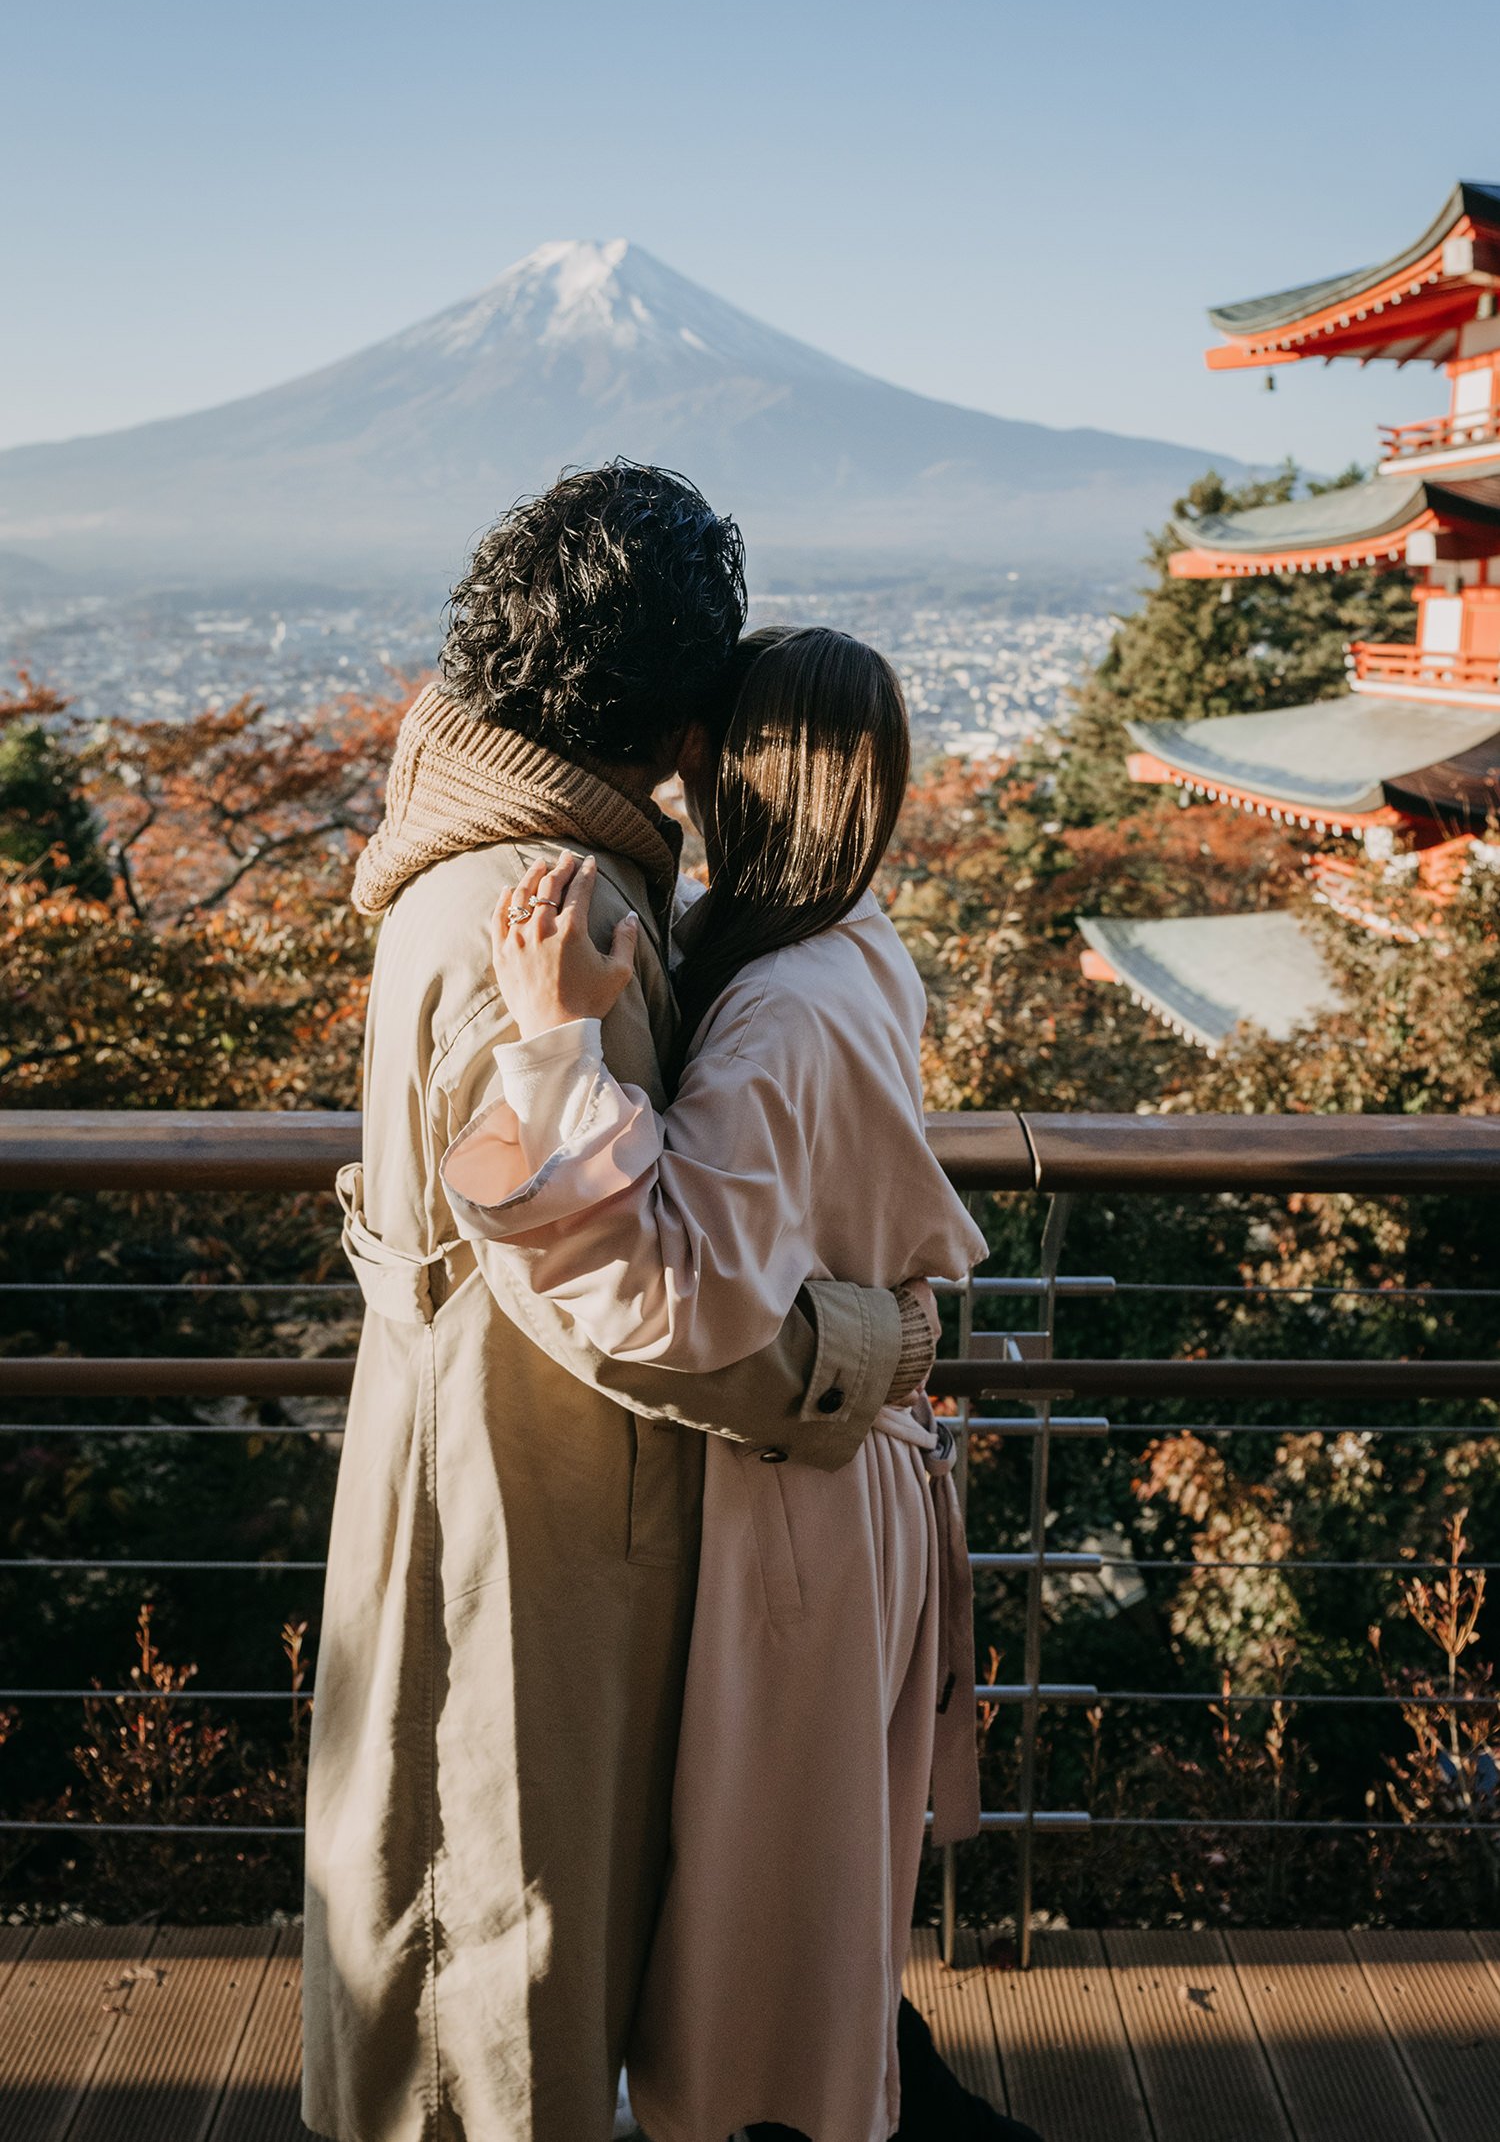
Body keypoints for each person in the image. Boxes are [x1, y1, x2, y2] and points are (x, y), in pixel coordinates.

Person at [302, 474, 938, 2142]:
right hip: (537, 1528)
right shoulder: (560, 907)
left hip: (484, 1497)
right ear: (666, 714)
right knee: (497, 1984)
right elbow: (624, 1291)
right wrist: (874, 1350)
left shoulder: (446, 855)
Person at [442, 627, 1039, 2142]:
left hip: (803, 1529)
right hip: (841, 1492)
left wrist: (558, 1043)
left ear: (729, 766)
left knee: (756, 1989)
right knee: (810, 1935)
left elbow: (684, 1291)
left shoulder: (774, 1008)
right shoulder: (843, 942)